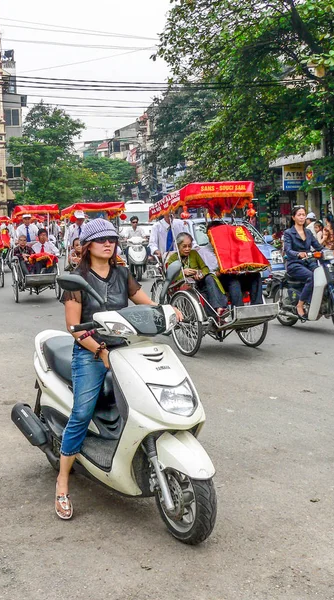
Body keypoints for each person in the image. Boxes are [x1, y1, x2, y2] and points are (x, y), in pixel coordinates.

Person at [57, 218, 181, 519]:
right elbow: (75, 328)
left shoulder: (123, 273)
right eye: (101, 240)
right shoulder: (78, 280)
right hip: (91, 351)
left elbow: (144, 302)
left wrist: (166, 310)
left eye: (111, 238)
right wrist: (100, 351)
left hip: (124, 347)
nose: (108, 243)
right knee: (82, 412)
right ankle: (62, 483)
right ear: (87, 246)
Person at [167, 232, 228, 318]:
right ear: (178, 246)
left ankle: (219, 308)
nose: (187, 249)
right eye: (184, 246)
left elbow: (205, 268)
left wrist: (200, 273)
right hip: (185, 285)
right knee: (203, 295)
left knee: (210, 278)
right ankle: (213, 316)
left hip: (199, 282)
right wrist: (183, 272)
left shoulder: (194, 254)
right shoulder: (173, 258)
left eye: (189, 246)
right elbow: (170, 276)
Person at [283, 205, 323, 319]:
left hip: (309, 262)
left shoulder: (308, 232)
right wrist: (297, 254)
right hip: (294, 263)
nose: (302, 217)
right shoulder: (289, 233)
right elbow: (288, 250)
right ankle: (300, 305)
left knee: (321, 274)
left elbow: (318, 247)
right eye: (299, 215)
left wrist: (332, 251)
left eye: (303, 215)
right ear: (293, 217)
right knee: (312, 277)